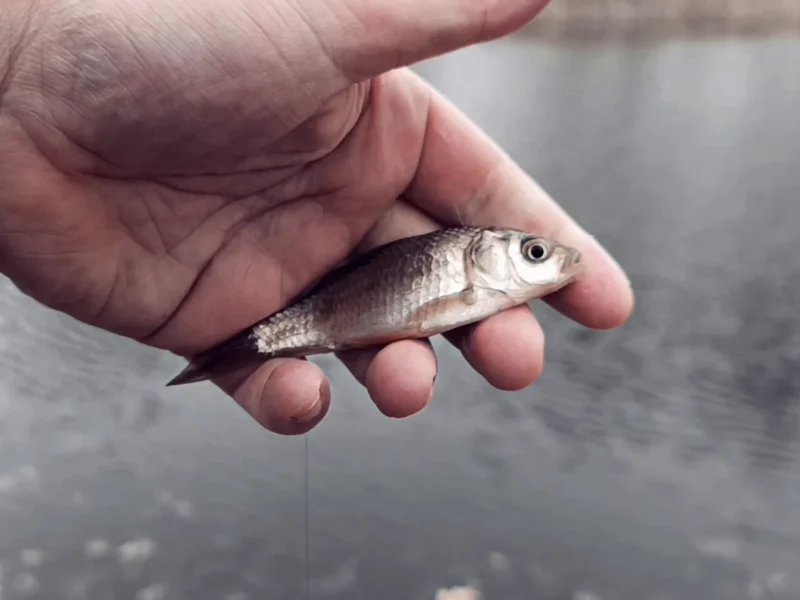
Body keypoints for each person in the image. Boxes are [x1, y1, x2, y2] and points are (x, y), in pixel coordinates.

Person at [0, 0, 633, 435]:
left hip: (335, 308)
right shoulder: (461, 266)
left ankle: (239, 348)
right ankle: (246, 347)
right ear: (483, 256)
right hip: (326, 308)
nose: (548, 259)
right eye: (533, 253)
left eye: (537, 254)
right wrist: (23, 58)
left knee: (404, 374)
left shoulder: (469, 275)